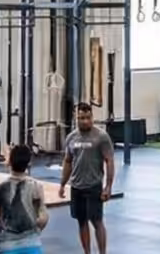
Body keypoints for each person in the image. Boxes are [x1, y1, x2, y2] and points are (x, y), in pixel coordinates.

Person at [58, 102, 116, 254]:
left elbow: (109, 161)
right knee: (81, 222)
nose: (85, 121)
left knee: (97, 222)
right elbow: (68, 161)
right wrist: (63, 184)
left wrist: (108, 187)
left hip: (94, 186)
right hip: (76, 186)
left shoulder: (101, 137)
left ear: (92, 117)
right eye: (81, 118)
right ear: (76, 118)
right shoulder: (71, 137)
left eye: (88, 117)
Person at [0, 144, 49, 254]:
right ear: (28, 164)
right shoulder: (37, 187)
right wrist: (33, 233)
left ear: (9, 163)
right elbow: (43, 218)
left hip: (7, 247)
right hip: (32, 246)